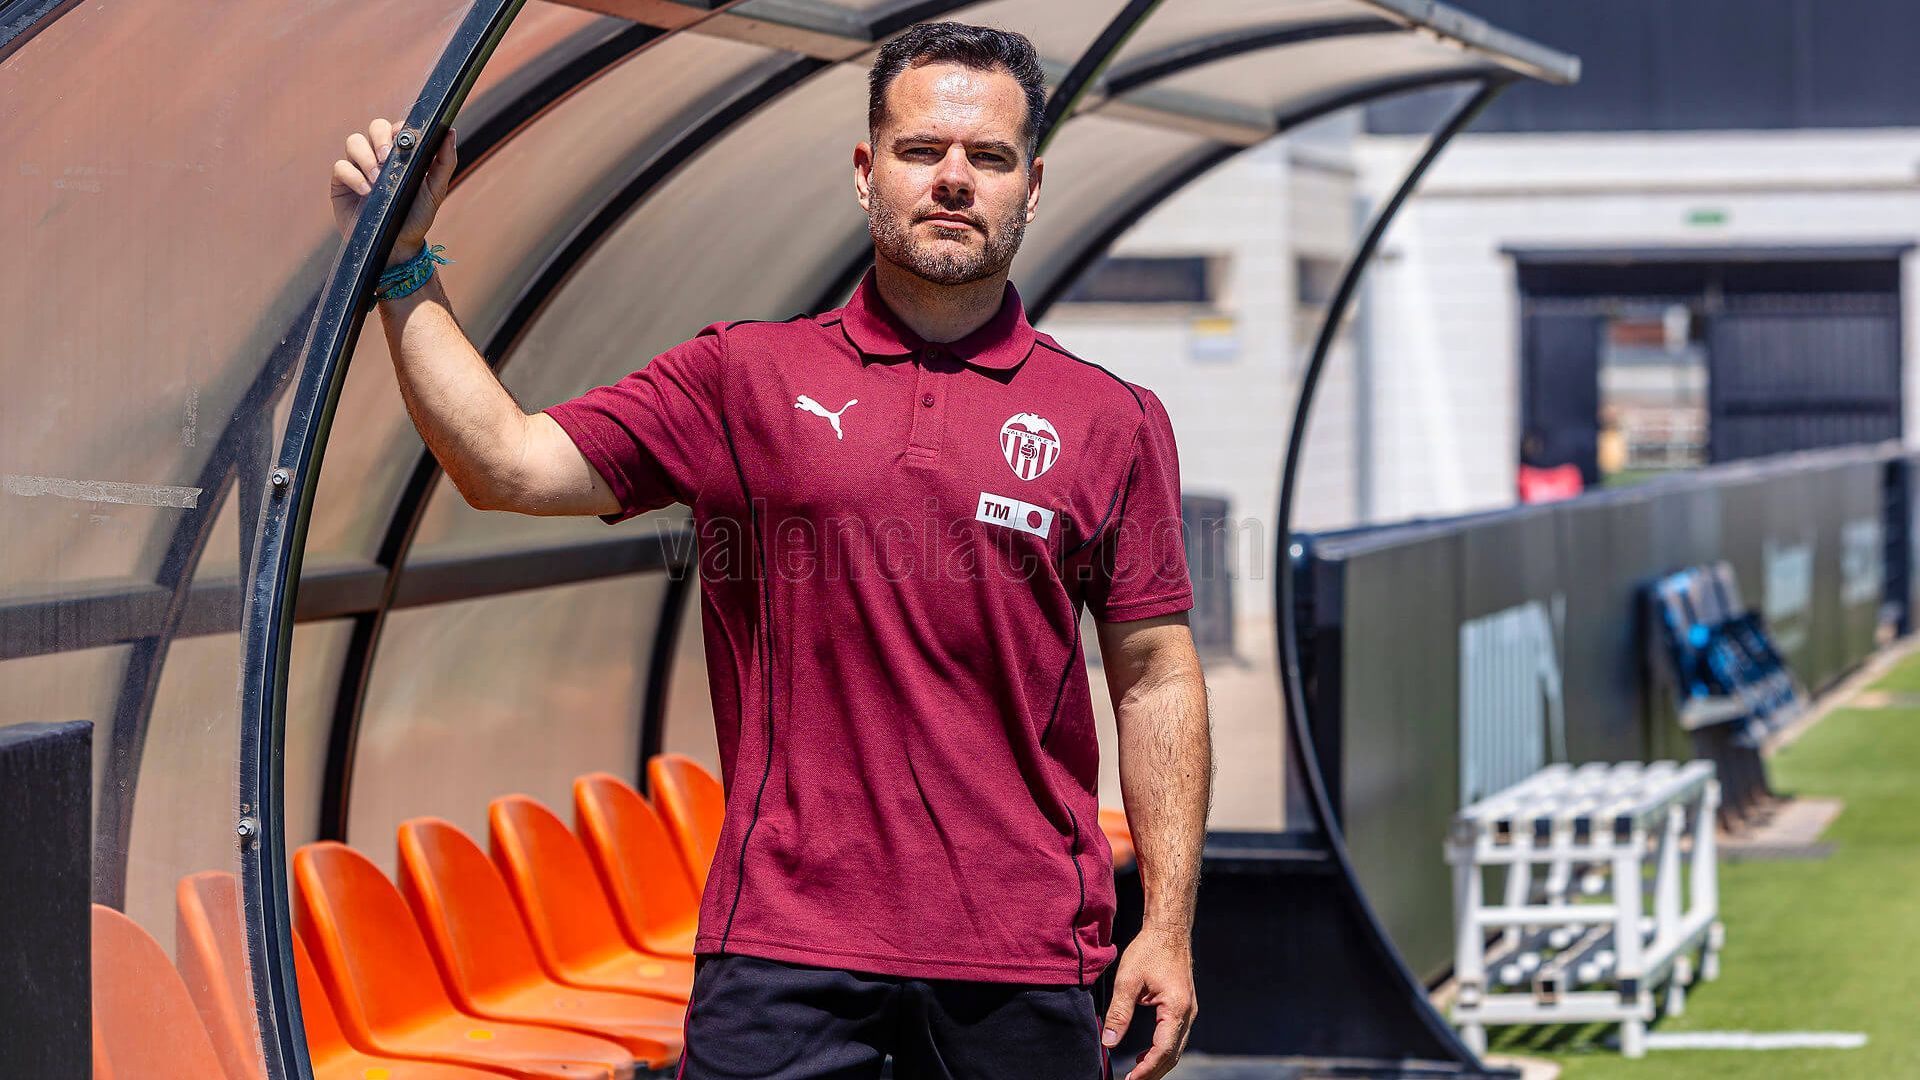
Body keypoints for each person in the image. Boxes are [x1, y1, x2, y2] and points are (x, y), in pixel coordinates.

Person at [330, 21, 1210, 1080]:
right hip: (781, 945)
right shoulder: (742, 379)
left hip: (1021, 949)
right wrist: (401, 268)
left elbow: (1155, 675)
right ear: (864, 170)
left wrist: (1165, 923)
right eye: (922, 150)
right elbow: (508, 464)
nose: (954, 179)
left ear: (1033, 186)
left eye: (989, 157)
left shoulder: (1109, 418)